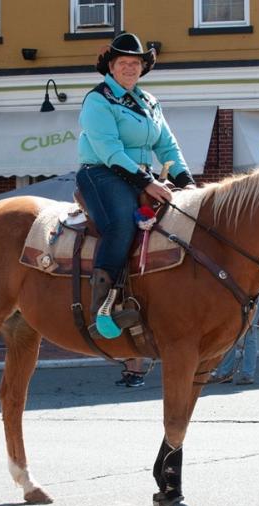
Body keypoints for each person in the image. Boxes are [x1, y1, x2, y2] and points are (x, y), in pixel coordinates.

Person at [77, 32, 194, 340]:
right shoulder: (98, 99)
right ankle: (102, 309)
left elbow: (167, 146)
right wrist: (148, 182)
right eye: (123, 62)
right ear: (111, 66)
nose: (130, 68)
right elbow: (109, 150)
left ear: (143, 68)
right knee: (121, 225)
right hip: (102, 173)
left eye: (135, 63)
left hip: (142, 176)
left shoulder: (150, 101)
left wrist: (187, 183)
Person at [210, 291, 259, 385]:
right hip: (237, 299)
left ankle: (246, 375)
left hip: (251, 299)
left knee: (249, 337)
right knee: (232, 336)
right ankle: (227, 373)